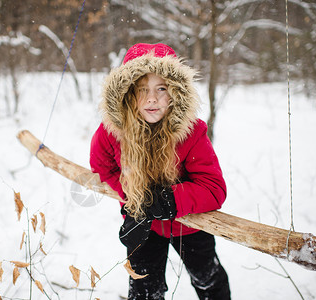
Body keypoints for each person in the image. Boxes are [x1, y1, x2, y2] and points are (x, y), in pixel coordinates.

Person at [90, 43, 230, 300]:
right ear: (128, 94)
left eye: (161, 89)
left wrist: (170, 199)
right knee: (144, 289)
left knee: (207, 278)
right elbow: (103, 168)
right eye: (142, 90)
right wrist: (135, 197)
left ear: (176, 93)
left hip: (190, 226)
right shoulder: (111, 133)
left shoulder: (191, 133)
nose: (152, 99)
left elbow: (214, 189)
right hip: (144, 225)